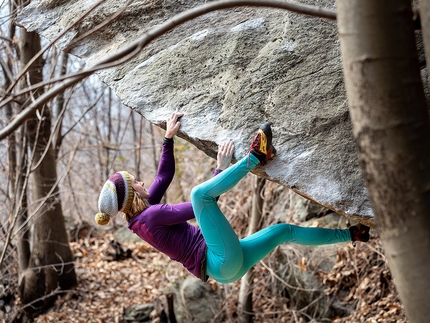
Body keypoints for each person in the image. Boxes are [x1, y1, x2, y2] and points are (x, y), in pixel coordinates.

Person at [95, 112, 370, 284]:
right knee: (198, 193)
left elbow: (163, 177)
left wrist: (168, 138)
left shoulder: (139, 219)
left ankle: (352, 235)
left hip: (225, 270)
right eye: (136, 183)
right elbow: (198, 207)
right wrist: (219, 168)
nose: (143, 183)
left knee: (283, 231)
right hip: (219, 259)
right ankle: (257, 156)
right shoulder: (151, 216)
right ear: (132, 195)